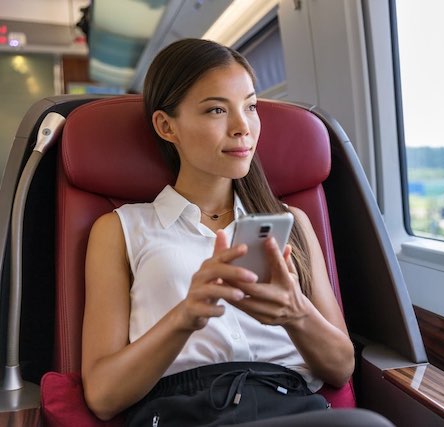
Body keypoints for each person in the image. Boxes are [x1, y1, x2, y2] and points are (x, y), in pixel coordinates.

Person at [81, 38, 393, 427]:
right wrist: (186, 316)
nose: (242, 127)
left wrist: (295, 313)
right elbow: (103, 396)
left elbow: (341, 367)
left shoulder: (291, 222)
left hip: (291, 408)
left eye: (250, 107)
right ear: (166, 126)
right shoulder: (121, 229)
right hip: (184, 413)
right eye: (216, 110)